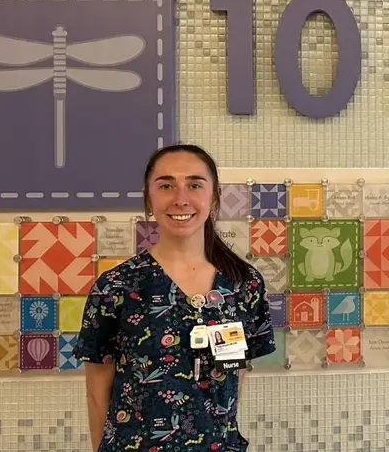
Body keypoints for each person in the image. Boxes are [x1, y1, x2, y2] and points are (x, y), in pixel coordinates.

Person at [75, 144, 276, 452]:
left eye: (194, 184)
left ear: (215, 196)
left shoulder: (242, 285)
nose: (181, 198)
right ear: (148, 197)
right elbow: (96, 391)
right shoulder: (117, 286)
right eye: (166, 185)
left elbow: (233, 382)